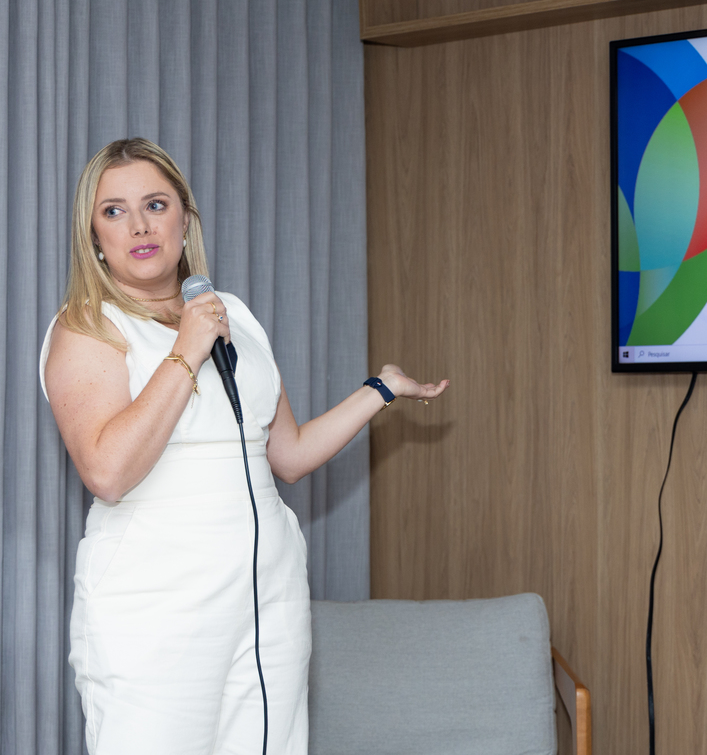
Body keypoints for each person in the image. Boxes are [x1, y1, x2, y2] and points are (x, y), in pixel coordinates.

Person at [40, 137, 448, 755]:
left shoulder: (231, 313)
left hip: (268, 600)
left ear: (185, 219)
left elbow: (288, 455)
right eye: (114, 211)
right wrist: (186, 349)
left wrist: (381, 390)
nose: (140, 225)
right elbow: (108, 473)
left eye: (156, 204)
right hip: (156, 606)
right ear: (94, 235)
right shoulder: (88, 326)